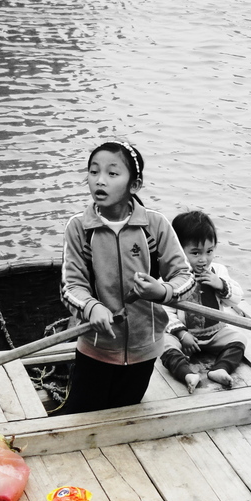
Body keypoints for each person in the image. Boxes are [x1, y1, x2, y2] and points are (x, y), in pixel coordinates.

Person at [60, 140, 196, 413]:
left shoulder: (155, 226)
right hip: (95, 347)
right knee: (81, 415)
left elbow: (185, 277)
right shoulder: (79, 228)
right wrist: (91, 306)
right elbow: (70, 286)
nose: (100, 181)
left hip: (144, 350)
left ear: (134, 185)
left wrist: (162, 292)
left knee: (124, 415)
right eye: (94, 171)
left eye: (112, 174)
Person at [160, 210, 246, 393]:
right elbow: (163, 312)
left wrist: (220, 284)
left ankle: (220, 369)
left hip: (215, 333)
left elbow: (236, 297)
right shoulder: (172, 277)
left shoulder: (218, 271)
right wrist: (182, 335)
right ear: (177, 250)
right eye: (196, 253)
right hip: (183, 337)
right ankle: (186, 374)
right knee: (164, 345)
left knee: (239, 338)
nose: (204, 259)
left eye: (209, 251)